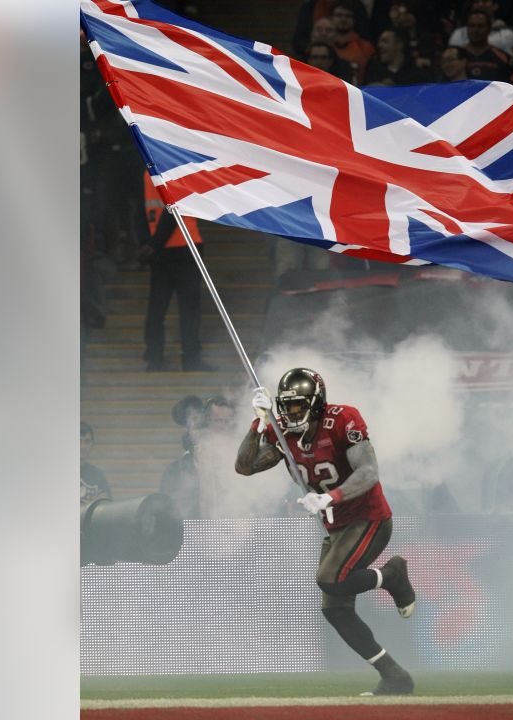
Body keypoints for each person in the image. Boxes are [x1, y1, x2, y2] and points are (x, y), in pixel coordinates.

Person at [235, 368, 417, 696]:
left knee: (328, 578)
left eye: (297, 406)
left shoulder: (342, 420)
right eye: (285, 406)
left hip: (368, 517)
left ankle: (391, 576)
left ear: (316, 404)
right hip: (337, 526)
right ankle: (394, 676)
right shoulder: (282, 433)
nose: (290, 414)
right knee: (335, 610)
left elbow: (369, 473)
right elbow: (244, 466)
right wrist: (258, 423)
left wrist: (328, 496)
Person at [138, 169, 215, 372]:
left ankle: (154, 360)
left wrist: (148, 244)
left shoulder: (147, 173)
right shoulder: (176, 169)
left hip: (161, 251)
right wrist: (153, 244)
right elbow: (173, 211)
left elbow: (140, 210)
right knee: (189, 309)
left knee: (157, 308)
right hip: (185, 246)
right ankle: (191, 360)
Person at [81, 421, 112, 506]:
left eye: (87, 442)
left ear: (92, 444)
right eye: (78, 441)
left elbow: (106, 504)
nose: (82, 446)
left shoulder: (97, 475)